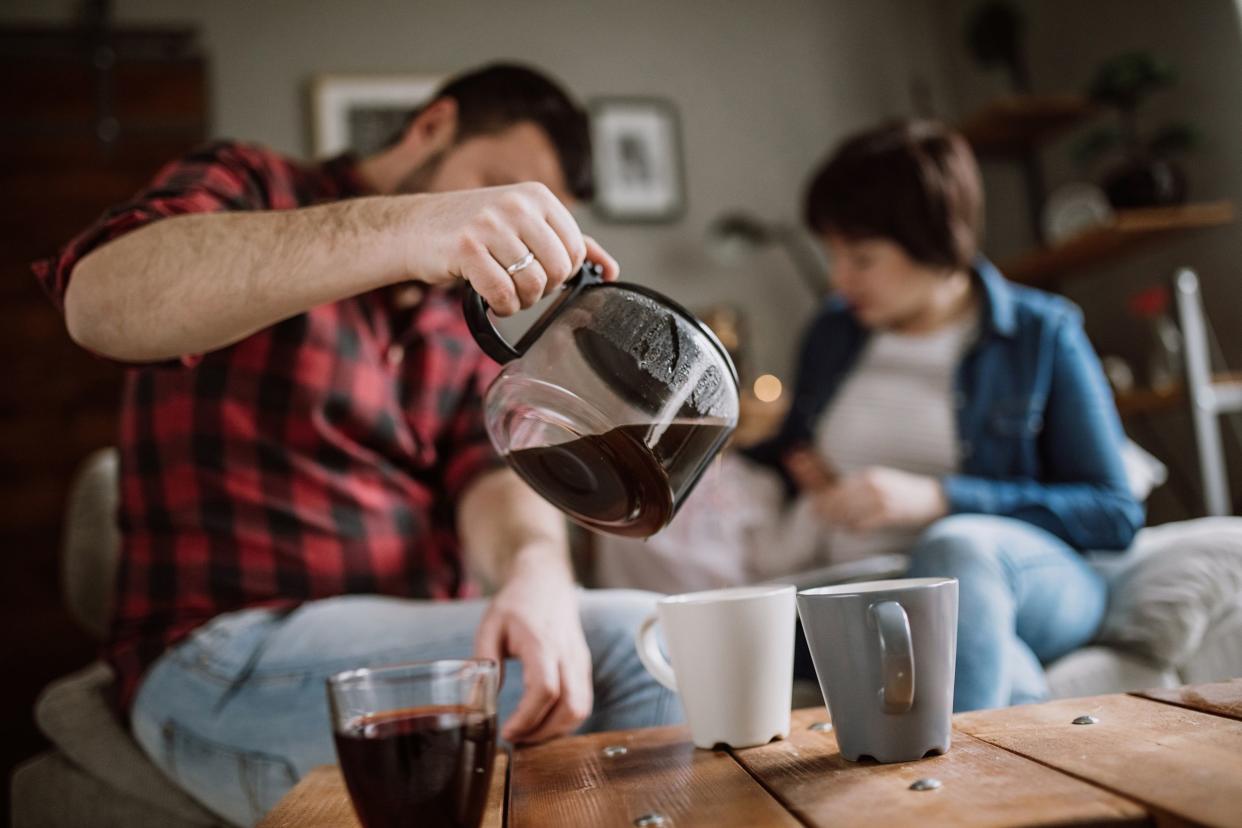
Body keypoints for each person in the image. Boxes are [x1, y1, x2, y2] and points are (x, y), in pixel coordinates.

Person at [34, 63, 680, 826]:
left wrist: (537, 570)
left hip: (412, 653)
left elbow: (488, 474)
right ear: (432, 128)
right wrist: (416, 226)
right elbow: (98, 302)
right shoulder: (252, 181)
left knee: (637, 643)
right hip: (222, 655)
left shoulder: (458, 316)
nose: (497, 229)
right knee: (644, 652)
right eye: (493, 186)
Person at [746, 120, 1143, 712]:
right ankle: (1000, 681)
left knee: (955, 552)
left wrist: (938, 498)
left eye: (862, 257)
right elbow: (793, 450)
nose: (839, 279)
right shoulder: (834, 333)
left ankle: (956, 790)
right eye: (833, 254)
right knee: (734, 616)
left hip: (1017, 576)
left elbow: (1112, 512)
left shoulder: (1040, 333)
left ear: (936, 242)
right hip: (876, 582)